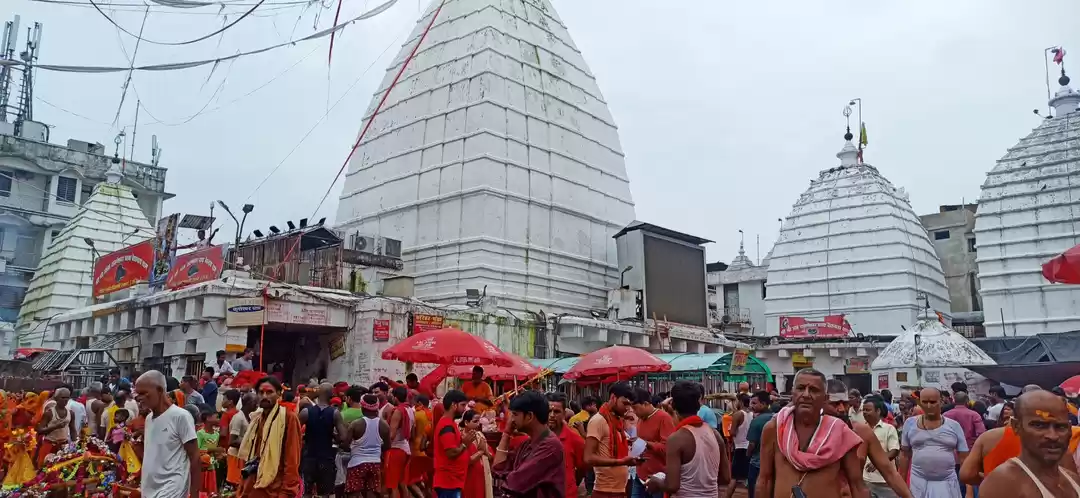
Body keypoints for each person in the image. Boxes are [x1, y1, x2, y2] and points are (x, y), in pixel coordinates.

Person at [755, 368, 865, 498]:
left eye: (814, 390)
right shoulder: (775, 429)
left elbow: (857, 485)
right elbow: (765, 480)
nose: (806, 395)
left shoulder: (840, 432)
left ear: (825, 398)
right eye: (801, 388)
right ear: (792, 393)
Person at [979, 390, 1080, 497]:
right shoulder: (1003, 483)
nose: (1053, 436)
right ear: (1016, 426)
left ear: (1070, 428)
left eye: (1061, 427)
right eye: (1039, 426)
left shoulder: (1071, 477)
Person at [647, 380, 729, 498]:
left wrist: (655, 481)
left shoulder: (676, 439)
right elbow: (726, 478)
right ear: (699, 404)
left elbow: (672, 486)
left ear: (673, 404)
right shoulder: (715, 434)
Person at [136, 370, 202, 498]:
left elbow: (195, 457)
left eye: (143, 393)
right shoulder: (149, 419)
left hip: (172, 490)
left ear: (160, 390)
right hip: (149, 490)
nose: (139, 398)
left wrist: (194, 494)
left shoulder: (180, 416)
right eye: (138, 394)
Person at [236, 376, 303, 497]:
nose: (264, 396)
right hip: (253, 485)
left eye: (269, 392)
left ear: (279, 394)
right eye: (261, 392)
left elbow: (292, 458)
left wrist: (287, 491)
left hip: (276, 487)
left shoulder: (288, 418)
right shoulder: (256, 419)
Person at [492, 390, 566, 498]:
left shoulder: (550, 446)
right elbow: (498, 468)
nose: (511, 420)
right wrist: (507, 433)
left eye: (515, 414)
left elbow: (514, 483)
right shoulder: (527, 444)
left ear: (529, 416)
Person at [901, 388, 969, 498]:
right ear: (919, 402)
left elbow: (964, 459)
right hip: (918, 483)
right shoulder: (910, 423)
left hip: (947, 483)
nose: (928, 406)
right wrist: (902, 487)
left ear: (941, 402)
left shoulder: (954, 426)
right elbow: (904, 455)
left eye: (932, 402)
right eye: (925, 402)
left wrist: (969, 492)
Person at [585, 382, 639, 498]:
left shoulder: (617, 421)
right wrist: (621, 462)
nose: (627, 408)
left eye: (629, 405)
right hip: (604, 491)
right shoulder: (598, 420)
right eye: (624, 403)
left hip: (620, 489)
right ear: (613, 398)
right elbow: (588, 458)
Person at [300, 383, 350, 498]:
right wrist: (333, 435)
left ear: (318, 393)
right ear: (331, 395)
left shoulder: (306, 412)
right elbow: (343, 437)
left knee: (307, 492)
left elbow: (294, 432)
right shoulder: (335, 413)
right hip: (326, 458)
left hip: (309, 457)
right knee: (325, 493)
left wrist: (304, 437)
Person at [630, 387, 673, 498]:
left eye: (635, 408)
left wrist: (646, 444)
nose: (634, 412)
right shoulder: (640, 419)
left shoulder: (664, 418)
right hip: (640, 475)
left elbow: (668, 448)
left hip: (658, 477)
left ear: (645, 403)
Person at [347, 394, 390, 498]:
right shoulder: (384, 425)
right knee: (372, 492)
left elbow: (345, 444)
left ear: (362, 407)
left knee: (353, 493)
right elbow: (387, 446)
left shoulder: (355, 424)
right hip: (375, 463)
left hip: (357, 463)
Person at [862, 396, 902, 498]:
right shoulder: (861, 430)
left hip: (885, 481)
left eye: (868, 410)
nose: (865, 412)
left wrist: (877, 463)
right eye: (864, 410)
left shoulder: (889, 429)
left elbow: (894, 450)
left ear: (878, 411)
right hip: (866, 480)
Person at [433, 389, 470, 498]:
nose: (464, 409)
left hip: (452, 480)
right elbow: (451, 453)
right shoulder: (446, 425)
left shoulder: (450, 423)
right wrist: (465, 444)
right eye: (462, 405)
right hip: (448, 481)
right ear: (454, 405)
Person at [548, 392, 585, 498]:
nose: (552, 415)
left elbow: (582, 468)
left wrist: (570, 483)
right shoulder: (535, 437)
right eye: (548, 411)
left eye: (556, 411)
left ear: (564, 414)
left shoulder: (575, 439)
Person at [386, 386, 415, 498]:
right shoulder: (410, 410)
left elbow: (391, 435)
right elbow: (412, 433)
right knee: (402, 483)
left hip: (396, 449)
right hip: (406, 448)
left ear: (395, 397)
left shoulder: (398, 411)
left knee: (393, 485)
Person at [36, 387, 76, 466]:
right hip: (49, 445)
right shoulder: (49, 413)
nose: (65, 400)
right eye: (63, 397)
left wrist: (75, 444)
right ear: (57, 398)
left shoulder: (71, 413)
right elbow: (40, 430)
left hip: (64, 447)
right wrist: (55, 427)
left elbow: (72, 429)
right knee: (44, 469)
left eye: (67, 397)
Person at [745, 391, 773, 498]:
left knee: (753, 491)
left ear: (764, 404)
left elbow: (752, 444)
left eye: (754, 403)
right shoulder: (777, 417)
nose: (751, 406)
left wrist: (747, 455)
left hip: (757, 463)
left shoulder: (757, 421)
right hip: (773, 463)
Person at [724, 394, 753, 498]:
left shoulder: (738, 414)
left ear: (740, 402)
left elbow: (732, 432)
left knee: (734, 478)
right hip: (749, 447)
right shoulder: (752, 414)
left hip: (740, 448)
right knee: (749, 478)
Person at [407, 394, 435, 498]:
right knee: (427, 483)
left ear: (419, 403)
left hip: (416, 449)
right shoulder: (432, 414)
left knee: (411, 481)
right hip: (428, 451)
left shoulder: (416, 414)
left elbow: (412, 434)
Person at [460, 410, 492, 498]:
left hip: (482, 477)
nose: (478, 424)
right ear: (466, 422)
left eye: (479, 421)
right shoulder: (462, 438)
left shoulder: (480, 435)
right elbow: (467, 461)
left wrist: (485, 451)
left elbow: (491, 457)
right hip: (469, 477)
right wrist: (481, 452)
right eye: (475, 421)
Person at [227, 393, 256, 488]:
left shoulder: (249, 417)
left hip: (243, 456)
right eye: (254, 402)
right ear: (248, 403)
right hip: (236, 456)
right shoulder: (238, 418)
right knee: (236, 485)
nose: (256, 405)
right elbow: (232, 441)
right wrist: (249, 442)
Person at [197, 411, 223, 495]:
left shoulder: (216, 434)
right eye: (216, 417)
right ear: (208, 418)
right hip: (202, 467)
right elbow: (197, 450)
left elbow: (215, 453)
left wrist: (219, 455)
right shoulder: (200, 433)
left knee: (211, 491)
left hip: (212, 466)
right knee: (201, 490)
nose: (218, 420)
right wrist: (214, 449)